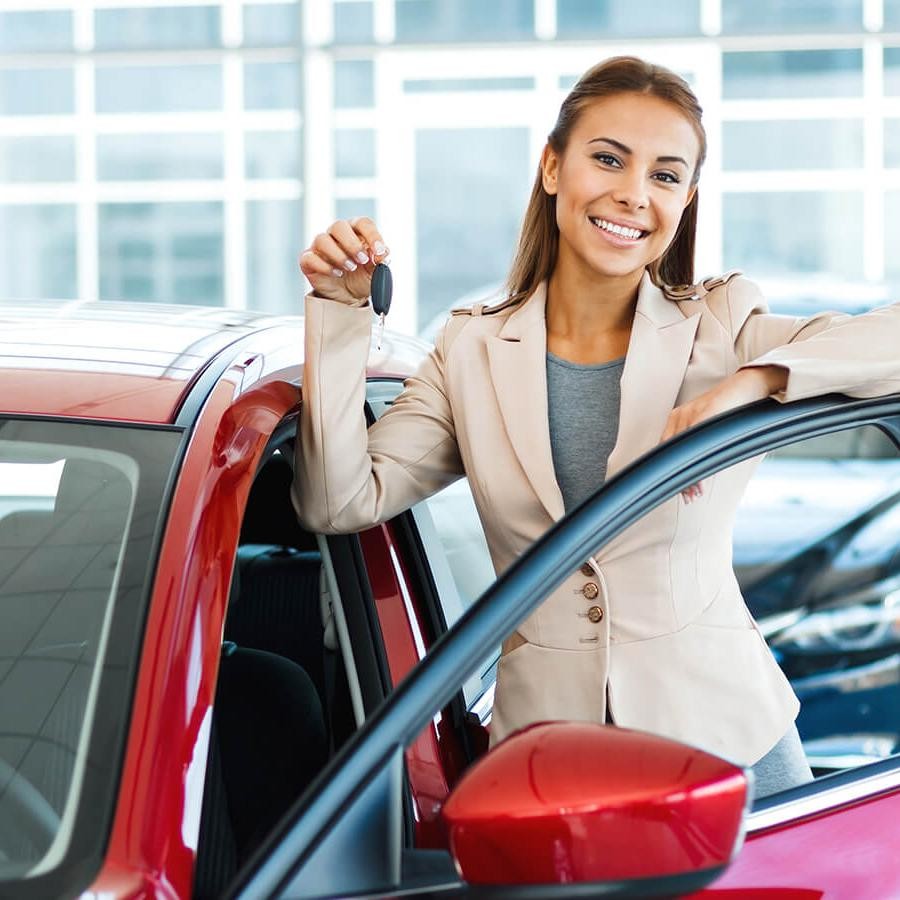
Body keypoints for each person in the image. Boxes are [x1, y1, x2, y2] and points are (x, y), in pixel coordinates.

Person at [294, 56, 900, 798]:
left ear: (685, 200)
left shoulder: (722, 324)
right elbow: (338, 501)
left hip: (730, 749)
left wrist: (753, 382)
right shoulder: (471, 349)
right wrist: (337, 315)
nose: (633, 195)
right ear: (552, 167)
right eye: (608, 158)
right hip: (550, 761)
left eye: (665, 175)